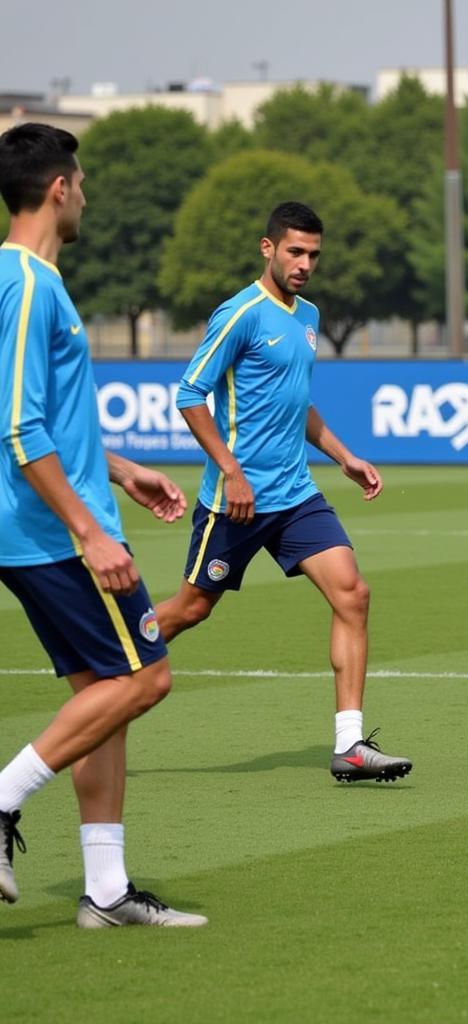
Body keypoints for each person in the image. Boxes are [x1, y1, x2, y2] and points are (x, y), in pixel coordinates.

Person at [0, 122, 207, 925]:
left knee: (104, 696)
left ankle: (107, 891)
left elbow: (47, 419)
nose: (84, 195)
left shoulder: (30, 279)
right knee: (145, 678)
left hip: (50, 522)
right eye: (80, 183)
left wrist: (120, 469)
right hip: (51, 535)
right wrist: (92, 529)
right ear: (59, 188)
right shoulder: (26, 281)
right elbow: (18, 429)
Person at [155, 201, 411, 784]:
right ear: (268, 248)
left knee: (353, 594)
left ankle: (350, 746)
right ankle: (106, 651)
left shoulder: (308, 315)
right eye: (295, 251)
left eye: (314, 255)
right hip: (236, 502)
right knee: (192, 608)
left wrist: (345, 457)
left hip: (295, 495)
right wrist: (230, 470)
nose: (305, 264)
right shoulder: (240, 313)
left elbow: (298, 404)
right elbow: (190, 394)